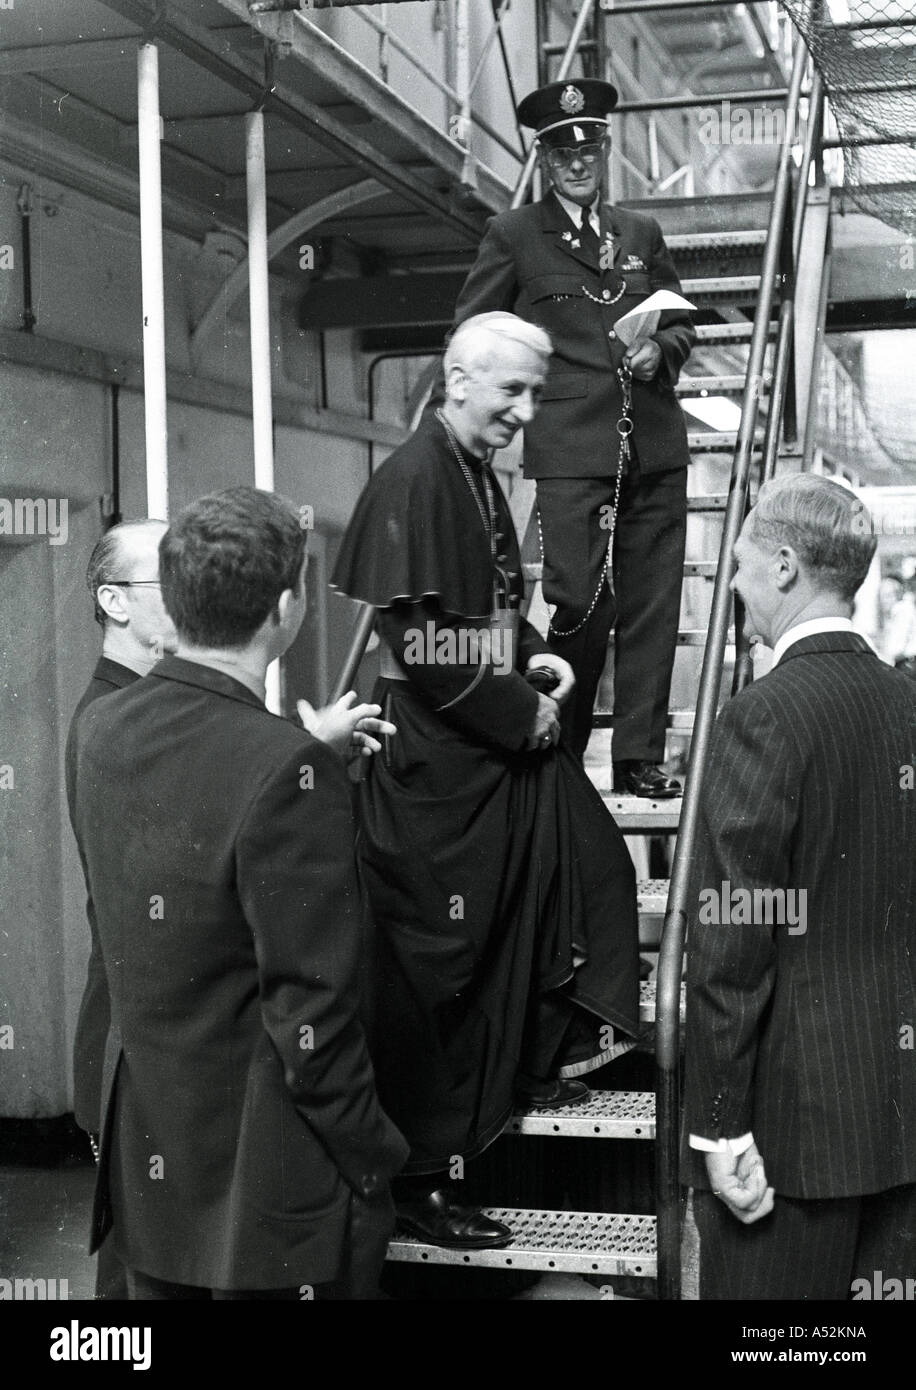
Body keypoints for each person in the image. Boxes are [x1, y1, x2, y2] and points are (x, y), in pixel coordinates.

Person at [332, 312, 640, 1250]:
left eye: (537, 393)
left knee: (583, 880)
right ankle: (424, 1183)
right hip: (442, 763)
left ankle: (543, 1052)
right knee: (447, 976)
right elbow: (415, 638)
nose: (527, 410)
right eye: (513, 390)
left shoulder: (467, 469)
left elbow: (486, 606)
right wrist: (520, 708)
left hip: (484, 748)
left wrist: (538, 658)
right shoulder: (414, 477)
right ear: (458, 380)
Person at [71, 486, 408, 1298]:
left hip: (152, 1161)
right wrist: (373, 1155)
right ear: (286, 609)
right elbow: (312, 1014)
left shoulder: (101, 728)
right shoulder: (284, 769)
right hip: (261, 1182)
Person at [683, 473, 916, 1300]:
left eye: (739, 566)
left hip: (793, 1136)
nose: (735, 586)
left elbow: (733, 941)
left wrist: (718, 1123)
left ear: (784, 567)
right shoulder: (908, 703)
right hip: (898, 1119)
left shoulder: (765, 714)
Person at [442, 79, 696, 796]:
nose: (577, 161)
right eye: (561, 150)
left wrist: (661, 351)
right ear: (544, 160)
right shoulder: (514, 236)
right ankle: (564, 735)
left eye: (588, 146)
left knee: (652, 600)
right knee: (582, 598)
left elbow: (680, 320)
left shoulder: (639, 234)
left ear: (604, 149)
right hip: (570, 449)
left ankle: (638, 757)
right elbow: (473, 329)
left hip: (652, 441)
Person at [65, 518, 178, 1301]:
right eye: (169, 578)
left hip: (145, 1039)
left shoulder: (151, 707)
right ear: (116, 602)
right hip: (134, 1042)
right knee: (140, 1275)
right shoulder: (116, 723)